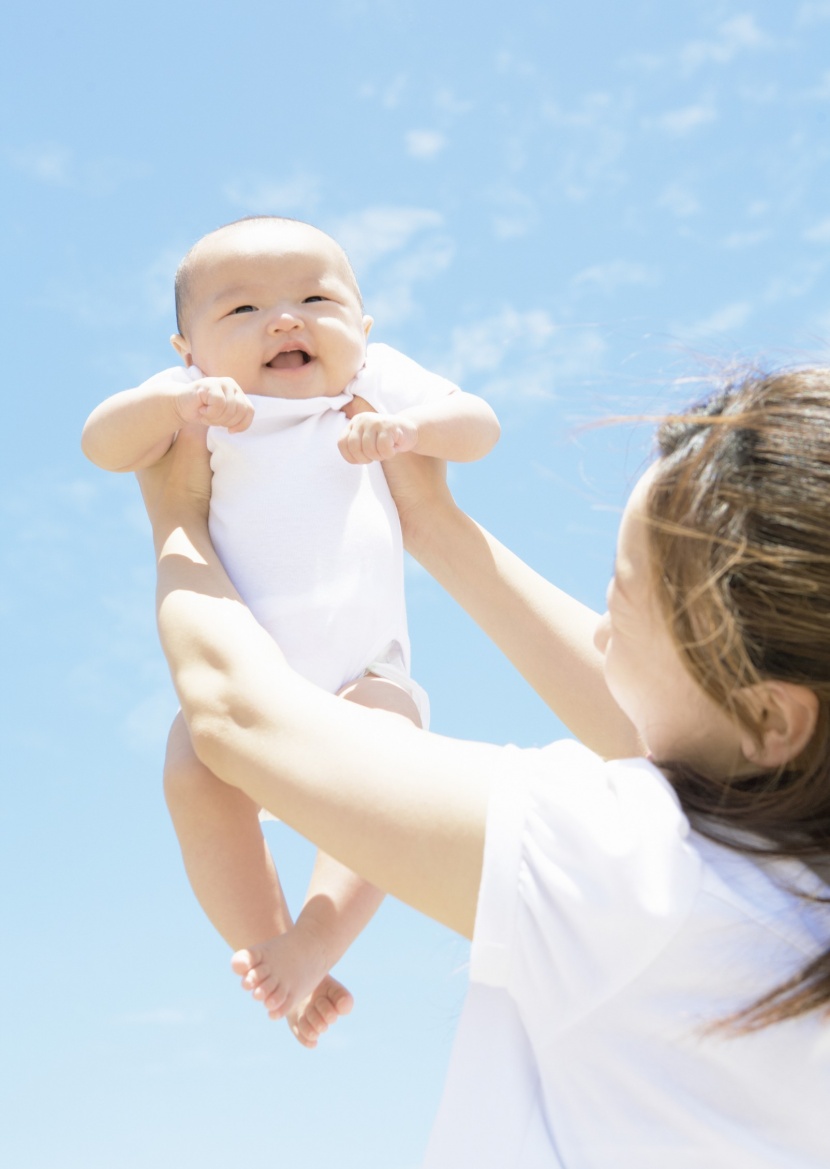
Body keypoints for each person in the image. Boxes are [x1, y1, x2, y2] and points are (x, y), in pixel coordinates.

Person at [140, 363, 830, 1166]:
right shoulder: (789, 877)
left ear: (770, 714)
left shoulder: (641, 876)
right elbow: (677, 725)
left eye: (625, 593)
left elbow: (237, 715)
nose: (600, 626)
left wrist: (176, 513)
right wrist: (431, 521)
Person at [81, 215, 500, 1047]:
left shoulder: (371, 386)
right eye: (241, 311)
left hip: (361, 671)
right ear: (187, 347)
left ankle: (317, 938)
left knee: (393, 761)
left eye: (316, 298)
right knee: (191, 766)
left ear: (364, 328)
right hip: (246, 684)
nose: (285, 319)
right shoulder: (193, 407)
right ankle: (264, 941)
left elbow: (479, 424)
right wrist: (171, 401)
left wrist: (411, 431)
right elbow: (101, 442)